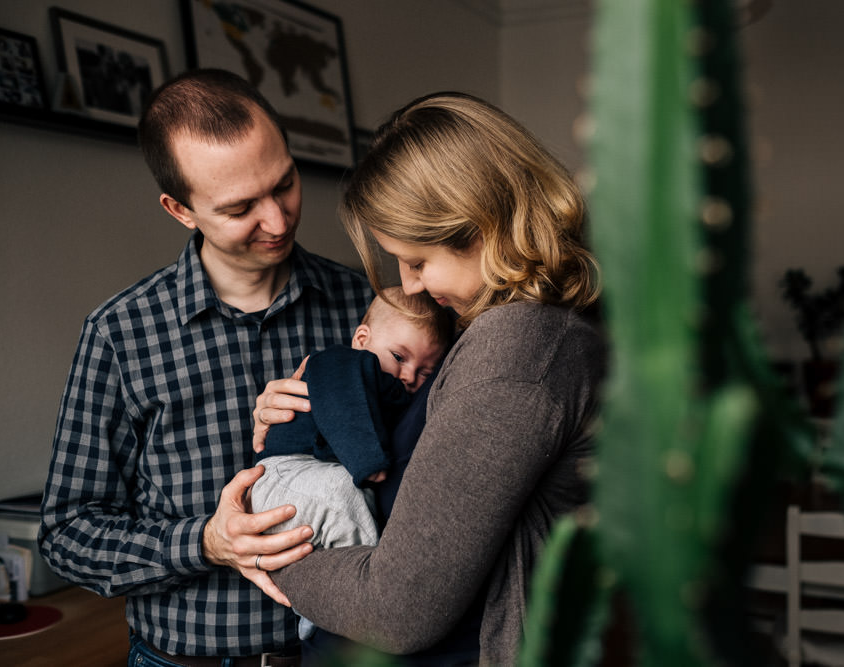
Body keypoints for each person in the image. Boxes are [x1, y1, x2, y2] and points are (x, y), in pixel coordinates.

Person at [251, 91, 606, 666]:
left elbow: (397, 610)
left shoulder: (520, 351)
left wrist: (266, 550)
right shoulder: (496, 332)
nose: (409, 285)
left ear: (482, 226)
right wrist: (299, 419)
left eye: (418, 261)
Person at [38, 68, 374, 666]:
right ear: (180, 209)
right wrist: (206, 542)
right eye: (241, 207)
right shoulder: (120, 333)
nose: (277, 220)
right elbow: (67, 535)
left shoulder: (366, 306)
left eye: (285, 184)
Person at [251, 286, 454, 641]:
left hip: (307, 482)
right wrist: (368, 461)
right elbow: (344, 407)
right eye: (399, 357)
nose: (409, 376)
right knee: (346, 495)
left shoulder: (396, 390)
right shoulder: (342, 362)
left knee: (350, 504)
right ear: (362, 338)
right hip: (285, 473)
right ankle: (341, 608)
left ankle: (333, 604)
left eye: (425, 371)